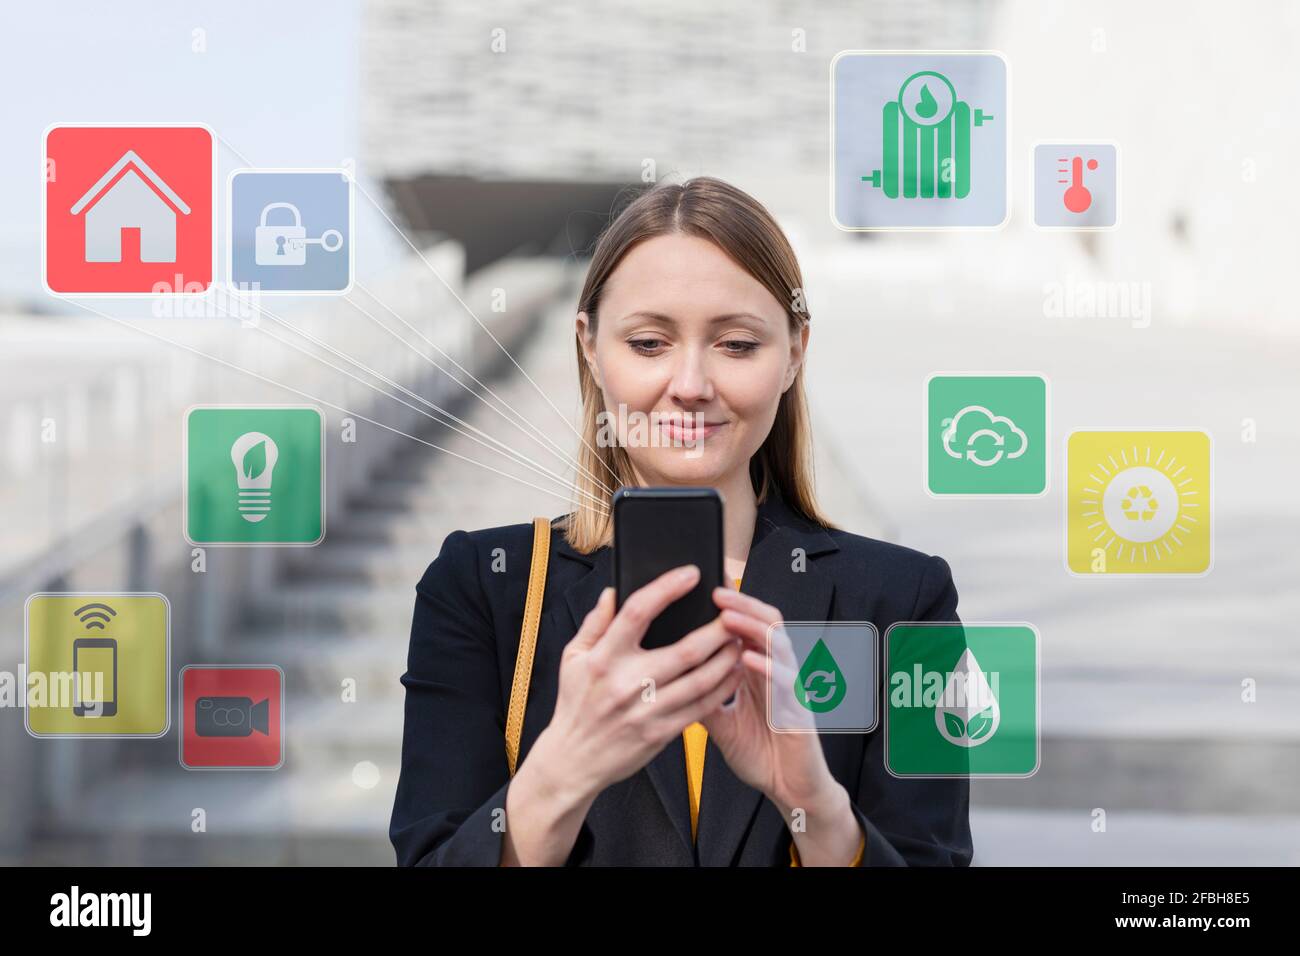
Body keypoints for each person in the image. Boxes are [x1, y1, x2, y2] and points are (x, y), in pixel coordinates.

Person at [390, 176, 973, 866]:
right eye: (647, 343)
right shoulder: (481, 589)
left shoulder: (907, 602)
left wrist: (817, 811)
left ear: (795, 352)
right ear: (589, 346)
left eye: (736, 345)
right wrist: (560, 773)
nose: (691, 384)